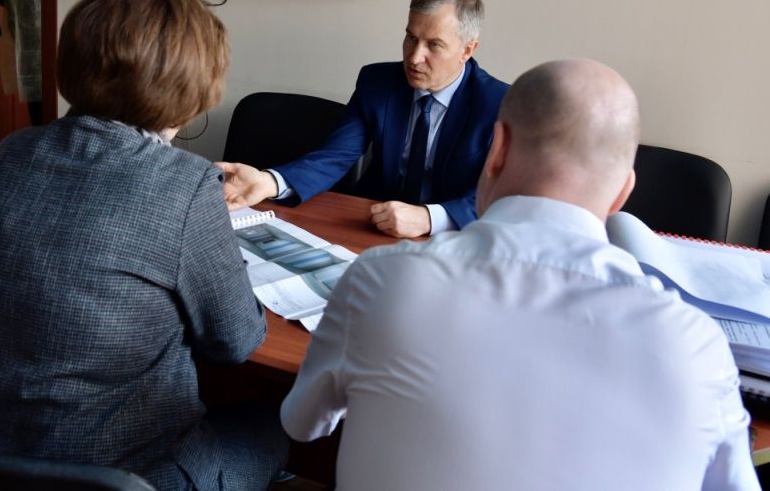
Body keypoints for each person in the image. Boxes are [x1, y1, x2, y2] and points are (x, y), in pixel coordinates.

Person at [280, 59, 759, 490]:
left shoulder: (381, 281)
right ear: (622, 193)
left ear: (497, 150)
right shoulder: (698, 349)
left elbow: (302, 423)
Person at [0, 0, 289, 490]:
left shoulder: (13, 152)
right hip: (109, 477)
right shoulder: (184, 184)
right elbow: (236, 340)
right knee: (279, 426)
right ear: (192, 88)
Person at [217, 0, 509, 239]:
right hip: (372, 224)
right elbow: (335, 156)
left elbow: (502, 198)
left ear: (467, 50)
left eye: (433, 45)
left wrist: (429, 218)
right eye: (411, 37)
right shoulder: (377, 82)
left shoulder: (499, 104)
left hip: (453, 241)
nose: (414, 57)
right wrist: (268, 182)